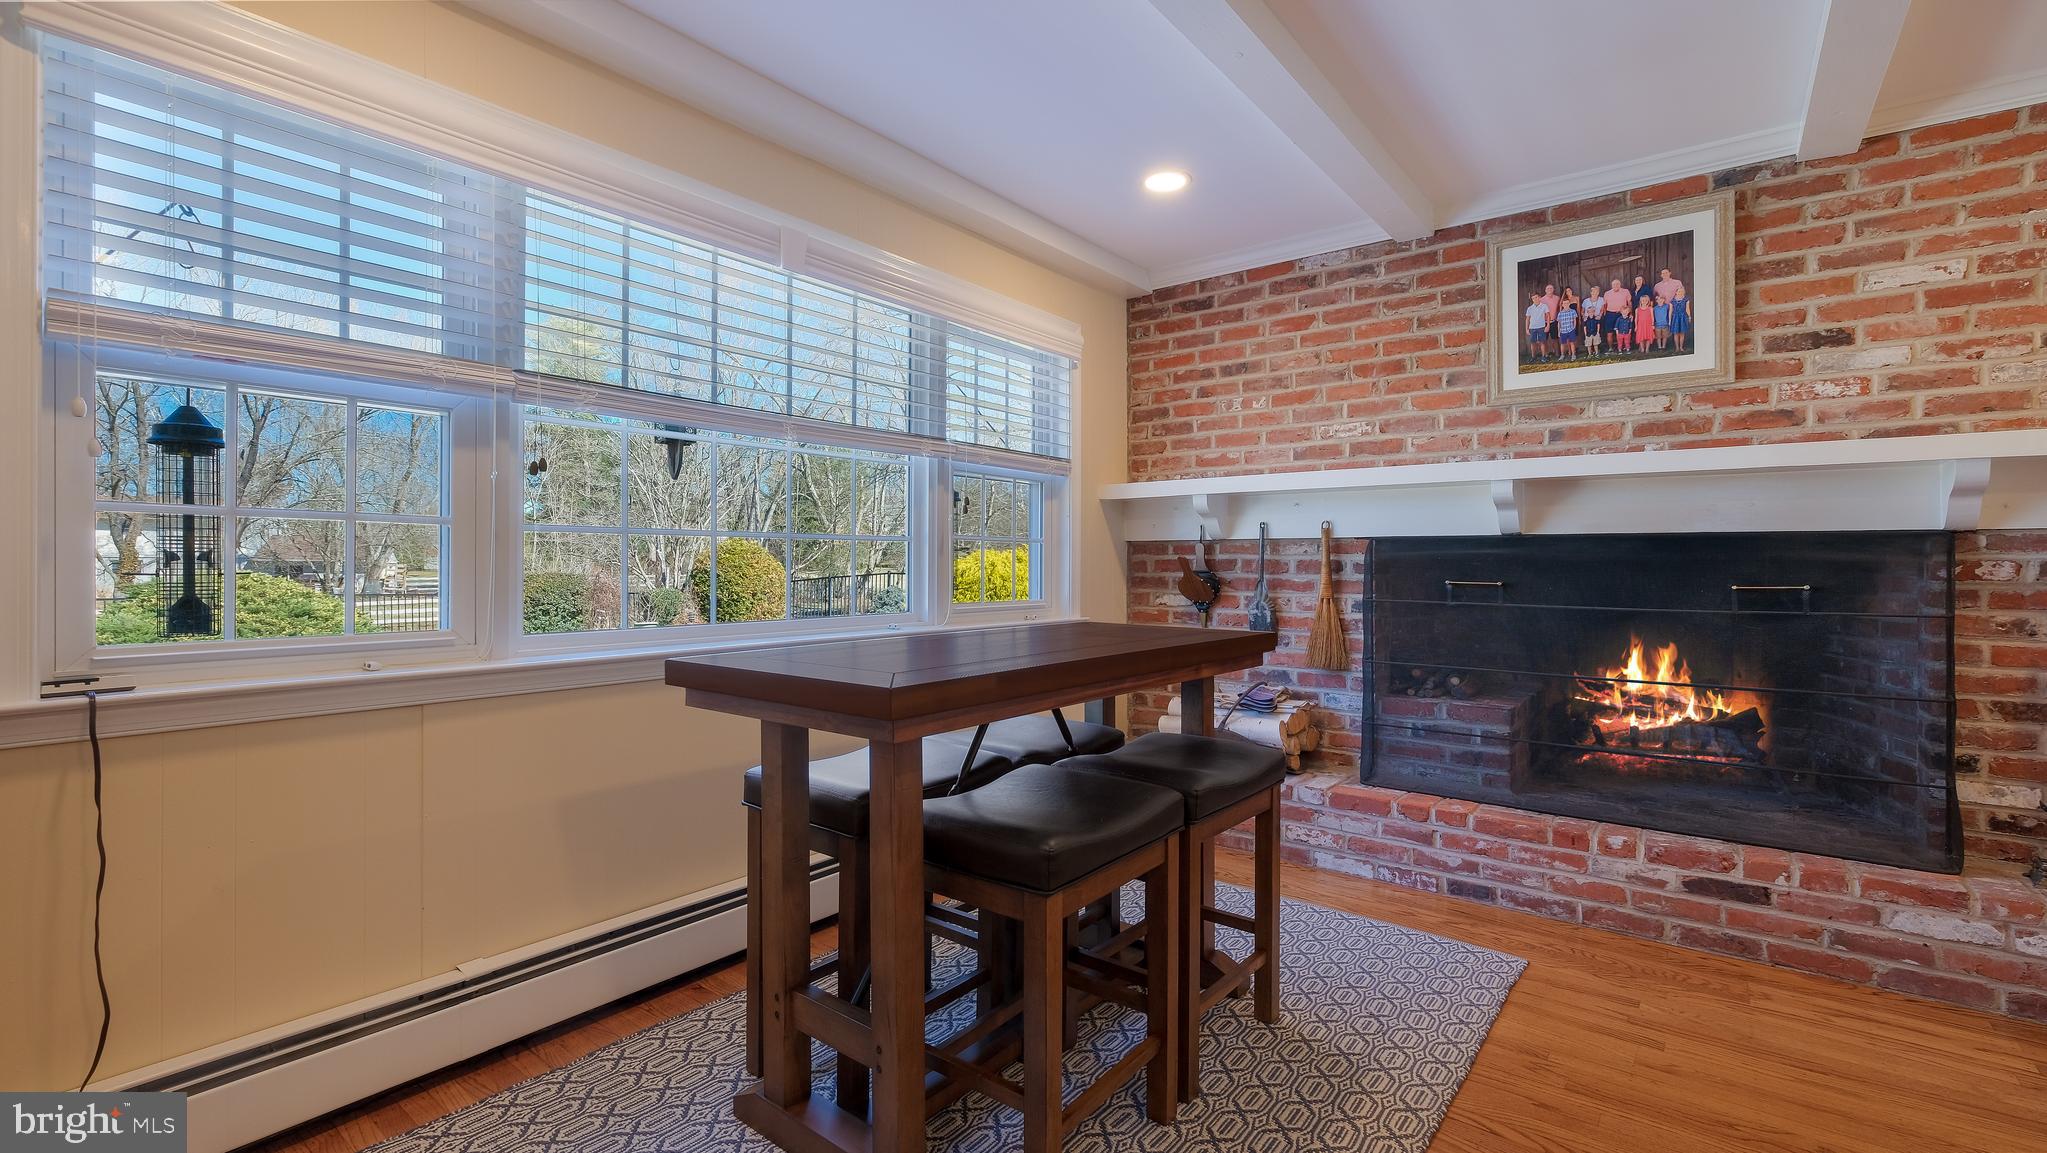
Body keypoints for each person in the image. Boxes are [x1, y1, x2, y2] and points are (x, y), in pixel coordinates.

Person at [1603, 279, 1633, 352]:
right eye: (1614, 284)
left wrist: (1631, 313)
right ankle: (1610, 348)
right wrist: (1605, 315)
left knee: (1624, 331)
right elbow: (1604, 305)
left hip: (1622, 314)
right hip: (1610, 314)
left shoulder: (1625, 291)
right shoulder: (1607, 293)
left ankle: (1624, 347)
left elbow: (1629, 303)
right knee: (1609, 332)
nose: (1616, 285)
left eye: (1617, 284)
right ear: (1611, 285)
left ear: (1620, 285)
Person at [1526, 292, 1550, 362]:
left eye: (1536, 297)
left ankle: (1543, 357)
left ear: (1539, 297)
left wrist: (1548, 325)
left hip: (1541, 327)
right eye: (1533, 298)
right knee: (1533, 342)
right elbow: (1527, 319)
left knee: (1542, 342)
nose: (1535, 299)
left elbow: (1548, 316)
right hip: (1532, 327)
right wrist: (1527, 329)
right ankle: (1533, 357)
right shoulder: (1530, 308)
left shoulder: (1544, 306)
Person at [1581, 286, 1604, 358]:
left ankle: (1597, 351)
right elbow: (1582, 311)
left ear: (1598, 292)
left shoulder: (1601, 299)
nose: (1594, 293)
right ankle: (1589, 352)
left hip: (1597, 319)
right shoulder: (1586, 301)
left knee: (1597, 335)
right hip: (1588, 320)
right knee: (1588, 336)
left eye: (1596, 291)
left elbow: (1602, 309)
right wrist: (1584, 317)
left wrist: (1599, 315)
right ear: (1590, 292)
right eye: (1593, 291)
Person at [1669, 286, 1692, 353]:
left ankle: (1681, 347)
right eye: (1679, 291)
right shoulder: (1672, 301)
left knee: (1682, 333)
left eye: (1682, 291)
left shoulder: (1686, 300)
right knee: (1676, 333)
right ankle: (1677, 348)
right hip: (1675, 318)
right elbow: (1670, 311)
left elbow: (1687, 309)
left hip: (1683, 317)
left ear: (1684, 292)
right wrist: (1670, 320)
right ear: (1676, 292)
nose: (1680, 293)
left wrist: (1689, 316)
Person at [1557, 294, 1579, 360]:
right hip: (1563, 330)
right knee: (1562, 344)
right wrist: (1559, 331)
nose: (1566, 304)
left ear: (1569, 304)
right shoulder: (1560, 313)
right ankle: (1562, 355)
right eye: (1564, 303)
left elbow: (1574, 320)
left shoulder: (1573, 311)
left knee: (1572, 343)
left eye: (1567, 303)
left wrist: (1574, 328)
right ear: (1562, 305)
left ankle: (1573, 355)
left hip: (1571, 329)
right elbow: (1559, 323)